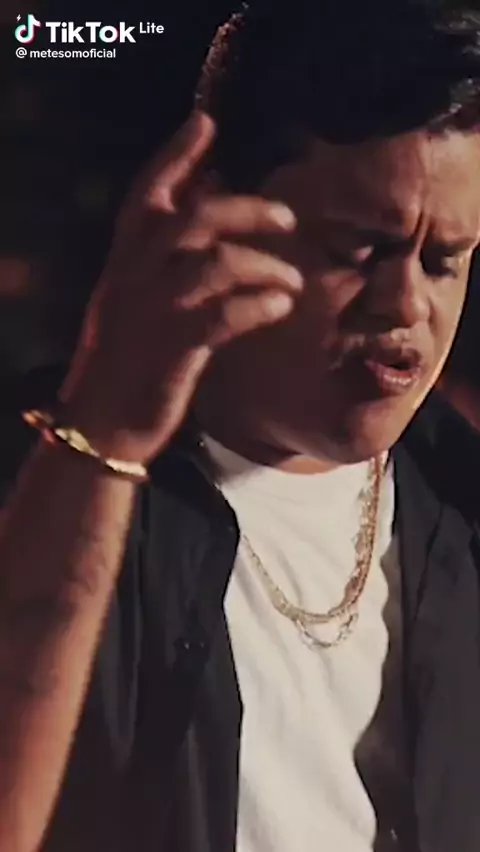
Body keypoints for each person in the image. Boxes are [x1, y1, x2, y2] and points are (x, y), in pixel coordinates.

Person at [1, 2, 480, 851]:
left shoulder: (460, 498)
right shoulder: (49, 487)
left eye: (443, 260)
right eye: (356, 248)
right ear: (211, 209)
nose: (406, 304)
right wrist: (103, 438)